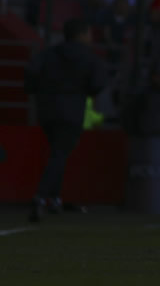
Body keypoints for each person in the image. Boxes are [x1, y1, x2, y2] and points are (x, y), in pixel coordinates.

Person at [24, 19, 107, 222]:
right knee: (60, 155)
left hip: (46, 110)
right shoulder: (90, 58)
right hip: (71, 112)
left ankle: (54, 200)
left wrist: (38, 91)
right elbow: (97, 84)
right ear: (82, 34)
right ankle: (40, 198)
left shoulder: (48, 53)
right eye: (89, 33)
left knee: (57, 153)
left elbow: (30, 74)